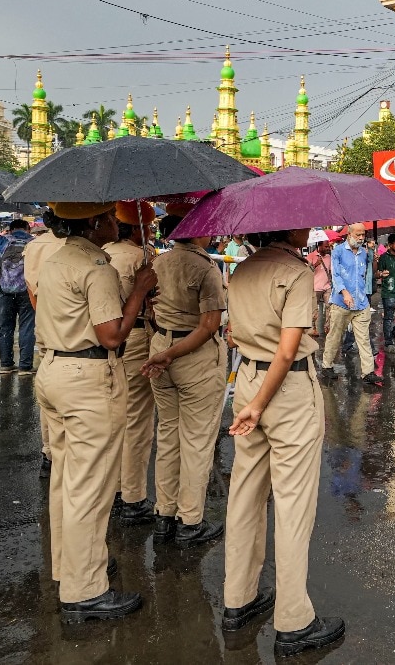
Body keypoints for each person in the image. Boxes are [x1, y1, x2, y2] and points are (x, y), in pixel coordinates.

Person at [222, 227, 345, 657]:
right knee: (293, 506)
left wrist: (252, 400)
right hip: (285, 390)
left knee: (245, 495)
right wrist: (261, 403)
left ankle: (238, 599)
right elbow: (289, 350)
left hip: (248, 378)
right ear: (288, 227)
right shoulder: (295, 274)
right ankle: (294, 621)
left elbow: (235, 334)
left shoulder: (241, 270)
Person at [34, 201, 157, 622]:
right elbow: (111, 335)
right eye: (108, 219)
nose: (114, 224)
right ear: (94, 222)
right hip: (86, 378)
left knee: (66, 478)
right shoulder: (96, 267)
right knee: (90, 485)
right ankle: (84, 589)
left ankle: (67, 567)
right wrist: (139, 291)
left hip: (52, 368)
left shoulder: (55, 258)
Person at [140, 215, 228, 548]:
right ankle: (190, 521)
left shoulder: (157, 263)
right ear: (199, 231)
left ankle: (165, 515)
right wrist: (173, 353)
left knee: (168, 436)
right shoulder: (206, 269)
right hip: (193, 357)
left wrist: (164, 351)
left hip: (160, 347)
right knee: (196, 441)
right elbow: (208, 327)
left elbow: (150, 310)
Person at [102, 201, 158, 525]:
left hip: (105, 341)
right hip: (134, 336)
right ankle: (132, 496)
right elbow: (154, 299)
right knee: (137, 419)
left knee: (115, 417)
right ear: (135, 228)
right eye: (146, 228)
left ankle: (114, 488)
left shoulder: (104, 252)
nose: (149, 232)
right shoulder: (141, 258)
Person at [23, 212, 69, 478]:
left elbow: (32, 290)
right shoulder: (74, 247)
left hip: (44, 321)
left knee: (48, 383)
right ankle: (61, 454)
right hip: (72, 326)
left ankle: (49, 453)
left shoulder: (34, 246)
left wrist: (42, 315)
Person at [321, 224, 382, 385]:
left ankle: (368, 372)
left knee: (364, 339)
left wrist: (372, 254)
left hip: (361, 303)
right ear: (349, 234)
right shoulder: (338, 252)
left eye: (363, 235)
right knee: (335, 336)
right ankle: (327, 366)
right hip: (341, 303)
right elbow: (336, 275)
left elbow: (370, 272)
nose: (361, 238)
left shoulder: (364, 252)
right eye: (358, 235)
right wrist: (344, 292)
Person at [0, 218, 37, 375]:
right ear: (27, 228)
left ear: (11, 229)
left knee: (5, 327)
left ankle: (6, 365)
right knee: (27, 327)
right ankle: (25, 367)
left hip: (4, 290)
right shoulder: (33, 242)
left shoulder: (0, 241)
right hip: (27, 290)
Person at [305, 240, 332, 337]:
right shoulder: (311, 256)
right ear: (319, 246)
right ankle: (313, 328)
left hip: (327, 286)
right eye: (325, 246)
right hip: (315, 287)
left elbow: (330, 270)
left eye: (328, 246)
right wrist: (316, 264)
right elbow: (305, 271)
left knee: (330, 308)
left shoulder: (329, 257)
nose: (328, 248)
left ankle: (327, 327)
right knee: (314, 310)